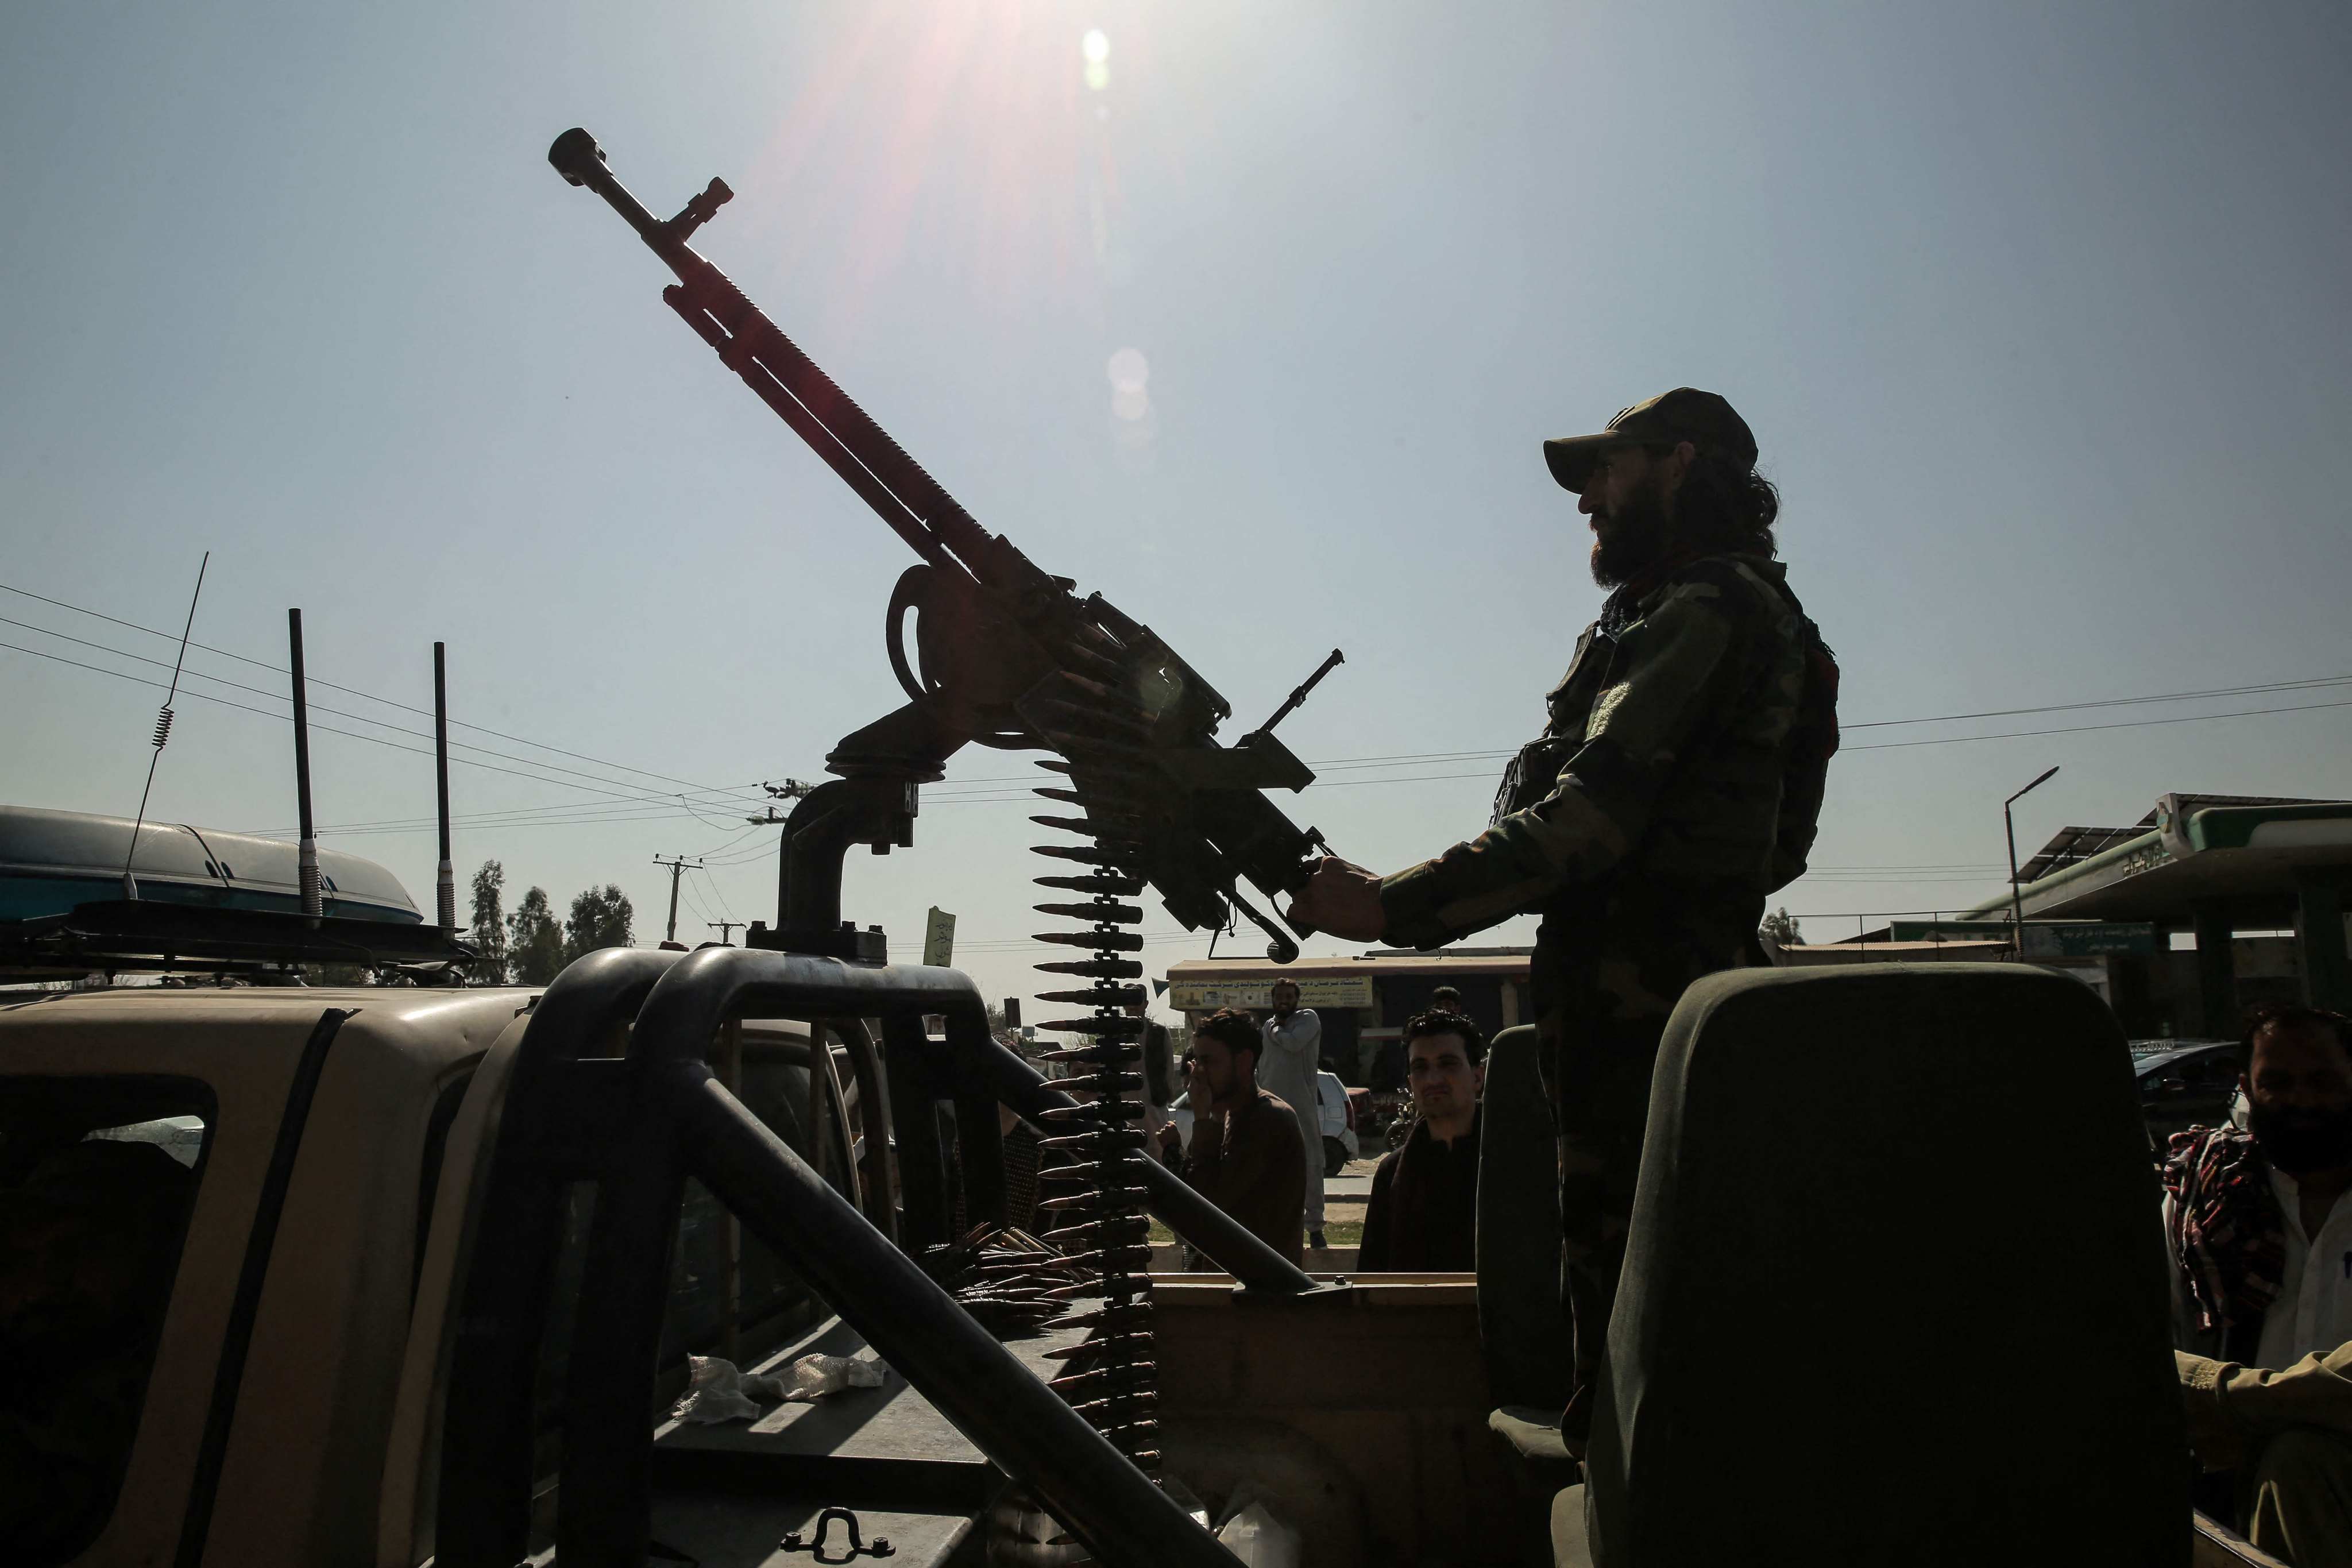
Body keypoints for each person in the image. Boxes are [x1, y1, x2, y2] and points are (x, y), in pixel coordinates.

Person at [1288, 388, 1836, 1439]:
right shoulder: (1704, 610)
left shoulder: (1707, 608)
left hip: (1645, 1030)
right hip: (1659, 1011)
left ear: (1680, 463)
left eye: (1608, 467)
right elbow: (1782, 847)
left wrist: (1389, 906)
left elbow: (1586, 819)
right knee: (1637, 1331)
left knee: (1649, 1349)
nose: (1588, 496)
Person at [2164, 1004, 2352, 1562]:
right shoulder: (2206, 1199)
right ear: (2247, 1086)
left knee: (2298, 1458)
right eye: (2277, 1082)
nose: (2301, 1101)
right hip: (2233, 1474)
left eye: (2322, 1081)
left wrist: (2226, 1395)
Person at [1, 1139, 196, 1561]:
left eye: (72, 1251)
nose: (38, 1290)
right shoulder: (52, 1358)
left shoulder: (173, 1376)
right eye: (15, 1261)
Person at [1180, 1008, 1308, 1266]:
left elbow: (1207, 1207)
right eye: (1198, 1063)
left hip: (1261, 1295)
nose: (1199, 1074)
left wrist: (1203, 1118)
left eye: (1210, 1062)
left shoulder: (1269, 1119)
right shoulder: (1229, 1116)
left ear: (1244, 1062)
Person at [1359, 1011, 1485, 1272]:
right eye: (1421, 1067)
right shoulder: (1392, 1173)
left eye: (1448, 1063)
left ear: (1477, 1076)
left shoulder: (1515, 1160)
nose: (1432, 1080)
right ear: (1410, 1082)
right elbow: (1373, 1278)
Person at [1253, 977, 1330, 1250]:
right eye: (1279, 996)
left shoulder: (1307, 1019)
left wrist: (1274, 1028)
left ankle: (1316, 1228)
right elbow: (1262, 1066)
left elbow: (1294, 1043)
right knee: (1272, 1167)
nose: (1283, 1000)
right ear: (1272, 999)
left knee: (1310, 1165)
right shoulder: (1267, 1026)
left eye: (1289, 996)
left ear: (1297, 999)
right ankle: (1276, 1226)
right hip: (1271, 1107)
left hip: (1302, 1107)